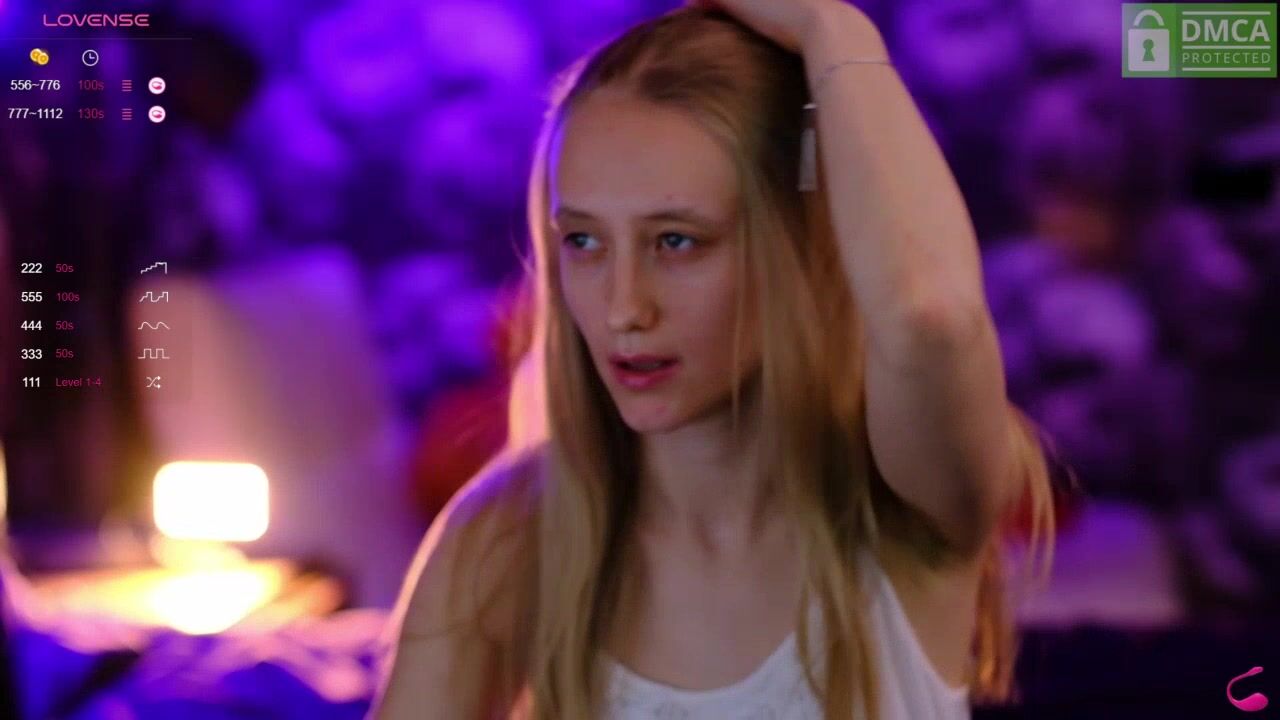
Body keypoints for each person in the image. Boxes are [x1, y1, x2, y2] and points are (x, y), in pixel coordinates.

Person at [373, 1, 1056, 718]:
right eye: (584, 242)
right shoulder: (509, 534)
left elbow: (929, 317)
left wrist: (831, 28)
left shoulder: (897, 504)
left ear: (800, 241)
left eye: (676, 241)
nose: (624, 308)